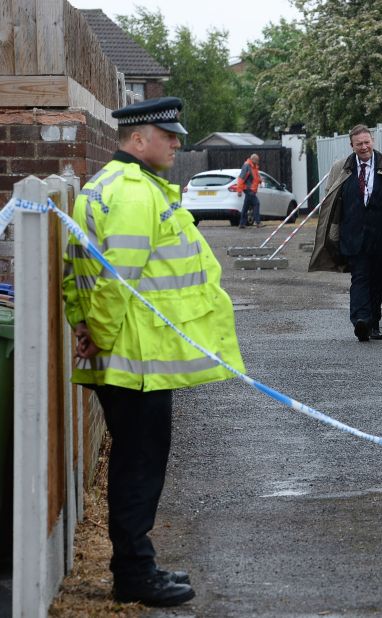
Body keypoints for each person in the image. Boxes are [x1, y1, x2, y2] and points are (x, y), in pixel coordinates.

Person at [62, 97, 245, 607]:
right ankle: (135, 575)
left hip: (123, 354)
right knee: (139, 466)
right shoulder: (133, 193)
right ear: (138, 139)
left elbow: (74, 268)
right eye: (168, 136)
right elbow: (118, 278)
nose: (177, 143)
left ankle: (136, 565)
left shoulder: (102, 187)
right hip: (136, 360)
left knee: (133, 462)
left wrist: (83, 324)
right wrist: (96, 329)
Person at [308, 124, 382, 341]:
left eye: (366, 142)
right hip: (352, 233)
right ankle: (361, 320)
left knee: (378, 279)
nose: (364, 147)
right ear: (351, 145)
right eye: (359, 144)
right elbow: (330, 197)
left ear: (373, 141)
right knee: (360, 276)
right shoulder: (340, 168)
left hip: (381, 234)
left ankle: (374, 323)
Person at [237, 153, 261, 228]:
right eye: (257, 160)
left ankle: (242, 223)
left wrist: (260, 180)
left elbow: (255, 177)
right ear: (253, 159)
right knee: (256, 203)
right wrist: (239, 190)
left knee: (246, 206)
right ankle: (257, 222)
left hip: (252, 190)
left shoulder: (254, 166)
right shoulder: (247, 166)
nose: (258, 162)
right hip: (249, 189)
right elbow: (241, 178)